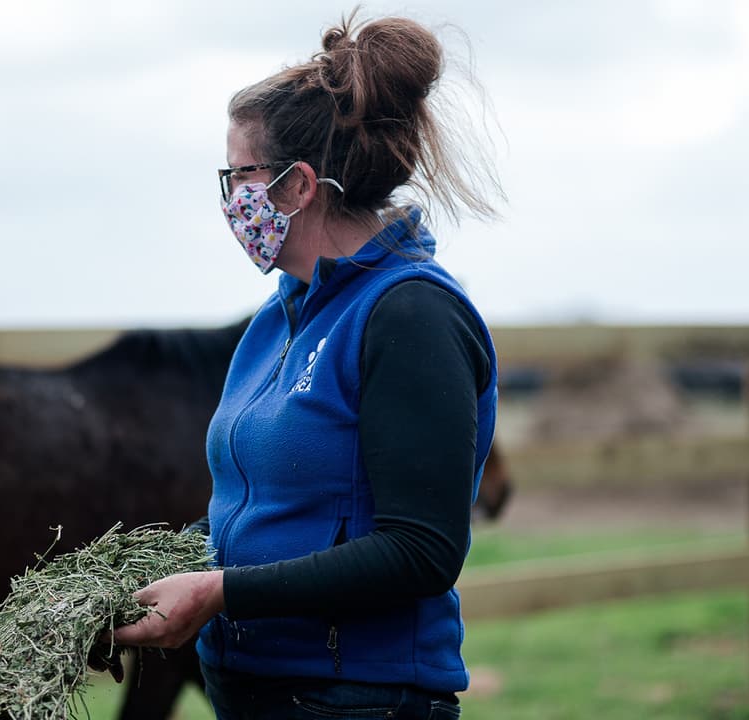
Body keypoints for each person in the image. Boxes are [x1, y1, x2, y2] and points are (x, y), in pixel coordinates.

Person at [111, 11, 503, 719]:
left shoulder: (411, 315)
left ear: (297, 186)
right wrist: (138, 576)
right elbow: (265, 510)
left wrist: (220, 592)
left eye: (239, 175)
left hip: (356, 698)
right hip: (255, 687)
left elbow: (421, 549)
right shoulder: (279, 317)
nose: (231, 199)